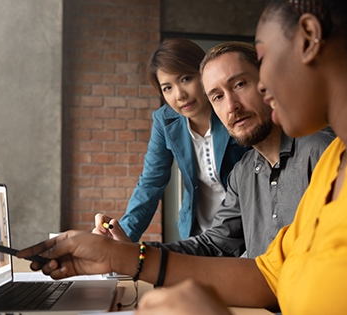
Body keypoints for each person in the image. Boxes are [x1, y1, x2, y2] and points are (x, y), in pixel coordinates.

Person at [18, 0, 347, 313]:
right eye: (216, 96)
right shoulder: (337, 158)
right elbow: (268, 274)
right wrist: (121, 256)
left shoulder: (328, 152)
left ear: (309, 38)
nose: (252, 92)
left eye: (256, 67)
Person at [94, 41, 334, 260]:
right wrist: (125, 244)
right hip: (219, 230)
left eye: (239, 84)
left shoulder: (320, 151)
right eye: (217, 96)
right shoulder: (244, 170)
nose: (231, 106)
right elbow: (150, 183)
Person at [118, 38, 248, 241]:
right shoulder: (165, 121)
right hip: (198, 233)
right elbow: (150, 183)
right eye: (167, 88)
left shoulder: (234, 110)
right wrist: (123, 237)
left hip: (245, 229)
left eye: (186, 78)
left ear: (204, 73)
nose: (180, 95)